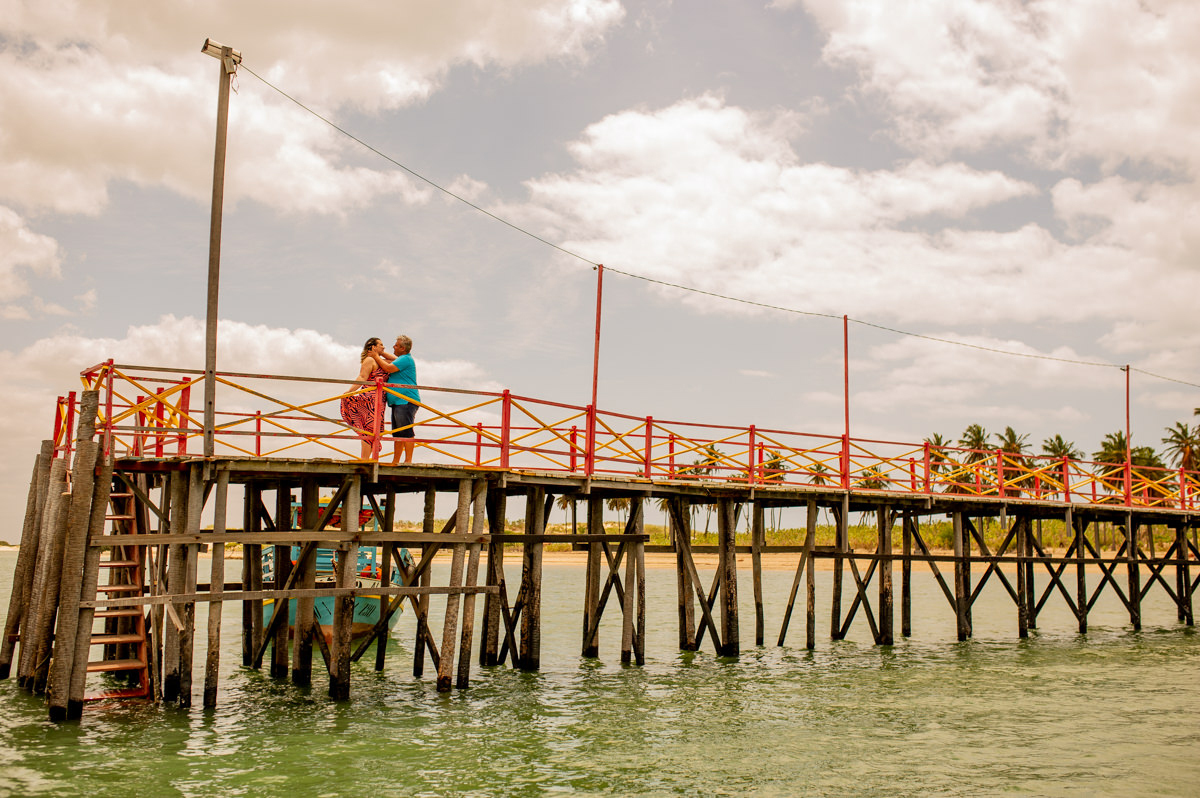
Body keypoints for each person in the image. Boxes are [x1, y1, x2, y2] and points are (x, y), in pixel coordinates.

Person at [339, 337, 395, 460]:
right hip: (369, 399)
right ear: (373, 347)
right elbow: (362, 377)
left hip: (379, 400)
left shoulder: (379, 360)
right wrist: (350, 391)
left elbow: (396, 361)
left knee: (373, 431)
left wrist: (378, 354)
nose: (384, 347)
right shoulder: (369, 360)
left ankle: (368, 459)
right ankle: (365, 459)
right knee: (368, 429)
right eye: (381, 345)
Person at [384, 335, 420, 464]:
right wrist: (380, 354)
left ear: (403, 348)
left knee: (406, 431)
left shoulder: (405, 359)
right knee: (398, 433)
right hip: (398, 402)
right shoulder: (402, 359)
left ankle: (408, 460)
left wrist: (376, 356)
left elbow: (388, 367)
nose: (393, 346)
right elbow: (390, 361)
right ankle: (396, 461)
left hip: (406, 400)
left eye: (396, 345)